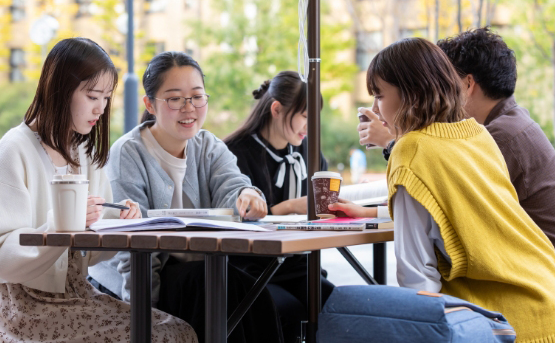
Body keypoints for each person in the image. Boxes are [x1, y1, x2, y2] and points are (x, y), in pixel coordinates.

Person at [0, 38, 197, 342]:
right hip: (22, 306)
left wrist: (121, 227)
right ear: (60, 91)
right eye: (92, 96)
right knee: (163, 336)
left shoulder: (84, 153)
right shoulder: (14, 150)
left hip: (75, 294)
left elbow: (89, 254)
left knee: (177, 331)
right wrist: (61, 224)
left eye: (106, 98)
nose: (100, 108)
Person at [338, 37, 555, 341]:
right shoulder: (477, 133)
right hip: (545, 298)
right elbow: (463, 212)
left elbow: (417, 281)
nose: (374, 108)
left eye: (379, 95)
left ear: (410, 93)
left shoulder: (411, 150)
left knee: (339, 305)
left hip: (506, 324)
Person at [88, 51, 282, 343]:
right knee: (210, 284)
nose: (189, 107)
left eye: (197, 96)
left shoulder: (208, 146)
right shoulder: (128, 153)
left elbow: (233, 186)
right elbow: (131, 247)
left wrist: (247, 195)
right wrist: (147, 319)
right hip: (137, 281)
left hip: (198, 274)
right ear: (150, 104)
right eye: (175, 98)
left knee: (247, 291)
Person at [356, 28, 555, 246]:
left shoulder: (497, 137)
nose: (437, 90)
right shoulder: (513, 122)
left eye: (443, 80)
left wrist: (391, 143)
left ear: (468, 84)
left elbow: (438, 201)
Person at [224, 71, 335, 343]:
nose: (310, 127)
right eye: (306, 117)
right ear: (276, 109)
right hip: (251, 270)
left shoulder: (308, 151)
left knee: (334, 306)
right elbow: (234, 220)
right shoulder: (234, 153)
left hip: (300, 264)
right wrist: (285, 208)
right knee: (284, 312)